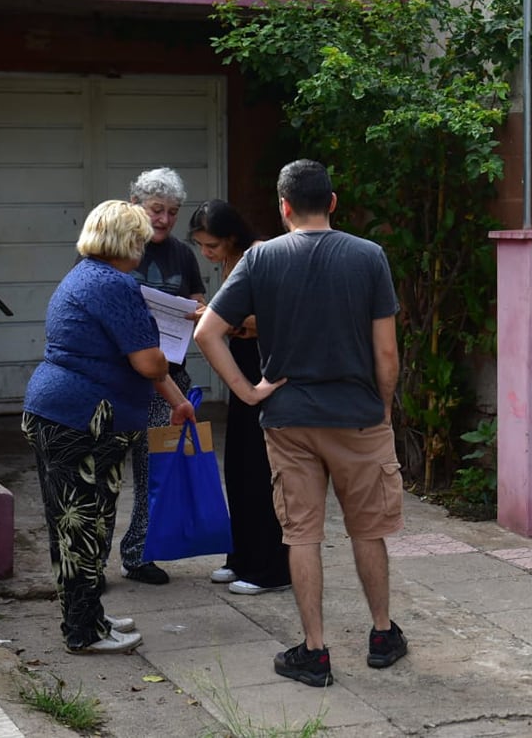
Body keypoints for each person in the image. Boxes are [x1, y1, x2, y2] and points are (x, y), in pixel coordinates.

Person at [194, 159, 405, 688]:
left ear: (283, 206)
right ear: (332, 202)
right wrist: (382, 406)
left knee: (302, 535)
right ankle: (382, 634)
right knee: (369, 529)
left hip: (288, 420)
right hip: (357, 418)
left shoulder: (260, 259)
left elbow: (206, 332)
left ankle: (315, 651)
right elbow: (387, 352)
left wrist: (249, 393)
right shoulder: (368, 257)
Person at [22, 200, 196, 654]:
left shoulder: (84, 275)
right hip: (80, 420)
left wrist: (177, 403)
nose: (143, 245)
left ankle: (90, 618)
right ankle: (82, 631)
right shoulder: (114, 284)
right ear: (124, 241)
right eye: (138, 237)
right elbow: (150, 361)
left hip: (64, 414)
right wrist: (159, 349)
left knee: (80, 525)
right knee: (81, 529)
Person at [189, 199, 292, 595]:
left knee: (260, 470)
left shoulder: (261, 254)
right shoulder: (234, 261)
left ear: (231, 236)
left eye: (211, 246)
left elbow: (280, 316)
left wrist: (225, 321)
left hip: (264, 371)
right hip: (242, 370)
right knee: (238, 468)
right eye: (201, 246)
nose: (207, 254)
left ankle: (271, 568)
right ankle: (242, 556)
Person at [118, 167, 207, 585]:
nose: (164, 220)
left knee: (154, 473)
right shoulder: (114, 247)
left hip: (168, 378)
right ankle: (86, 567)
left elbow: (196, 299)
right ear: (135, 205)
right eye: (157, 210)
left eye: (172, 212)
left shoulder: (182, 254)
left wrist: (198, 311)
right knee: (100, 479)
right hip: (118, 381)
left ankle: (138, 554)